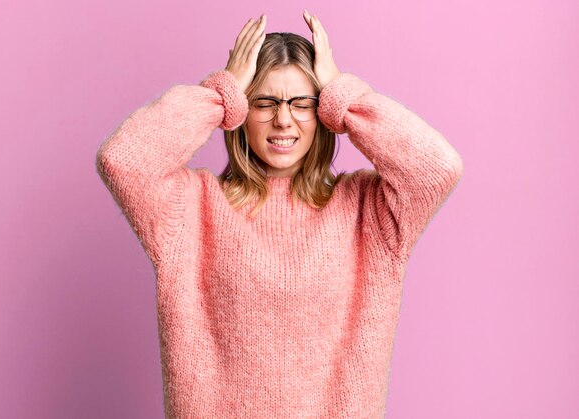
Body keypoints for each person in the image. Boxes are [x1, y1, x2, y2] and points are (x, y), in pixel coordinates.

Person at [96, 10, 463, 418]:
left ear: (322, 113)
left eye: (301, 103)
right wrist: (221, 94)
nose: (283, 119)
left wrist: (346, 98)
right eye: (264, 102)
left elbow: (438, 168)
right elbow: (122, 161)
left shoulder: (368, 212)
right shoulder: (190, 208)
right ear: (242, 113)